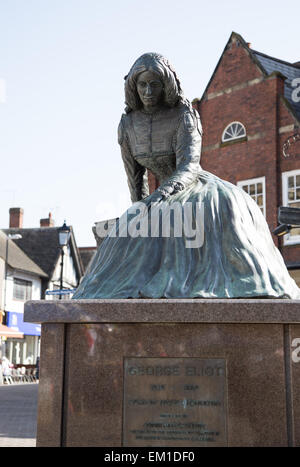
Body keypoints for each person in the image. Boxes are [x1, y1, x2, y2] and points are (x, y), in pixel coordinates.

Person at [73, 53, 300, 299]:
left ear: (166, 86)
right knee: (132, 230)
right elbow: (135, 180)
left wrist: (161, 195)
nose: (148, 91)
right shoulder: (127, 125)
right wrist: (139, 211)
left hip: (192, 185)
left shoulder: (184, 115)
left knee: (206, 212)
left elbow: (189, 166)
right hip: (160, 197)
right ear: (133, 87)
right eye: (142, 85)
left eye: (154, 84)